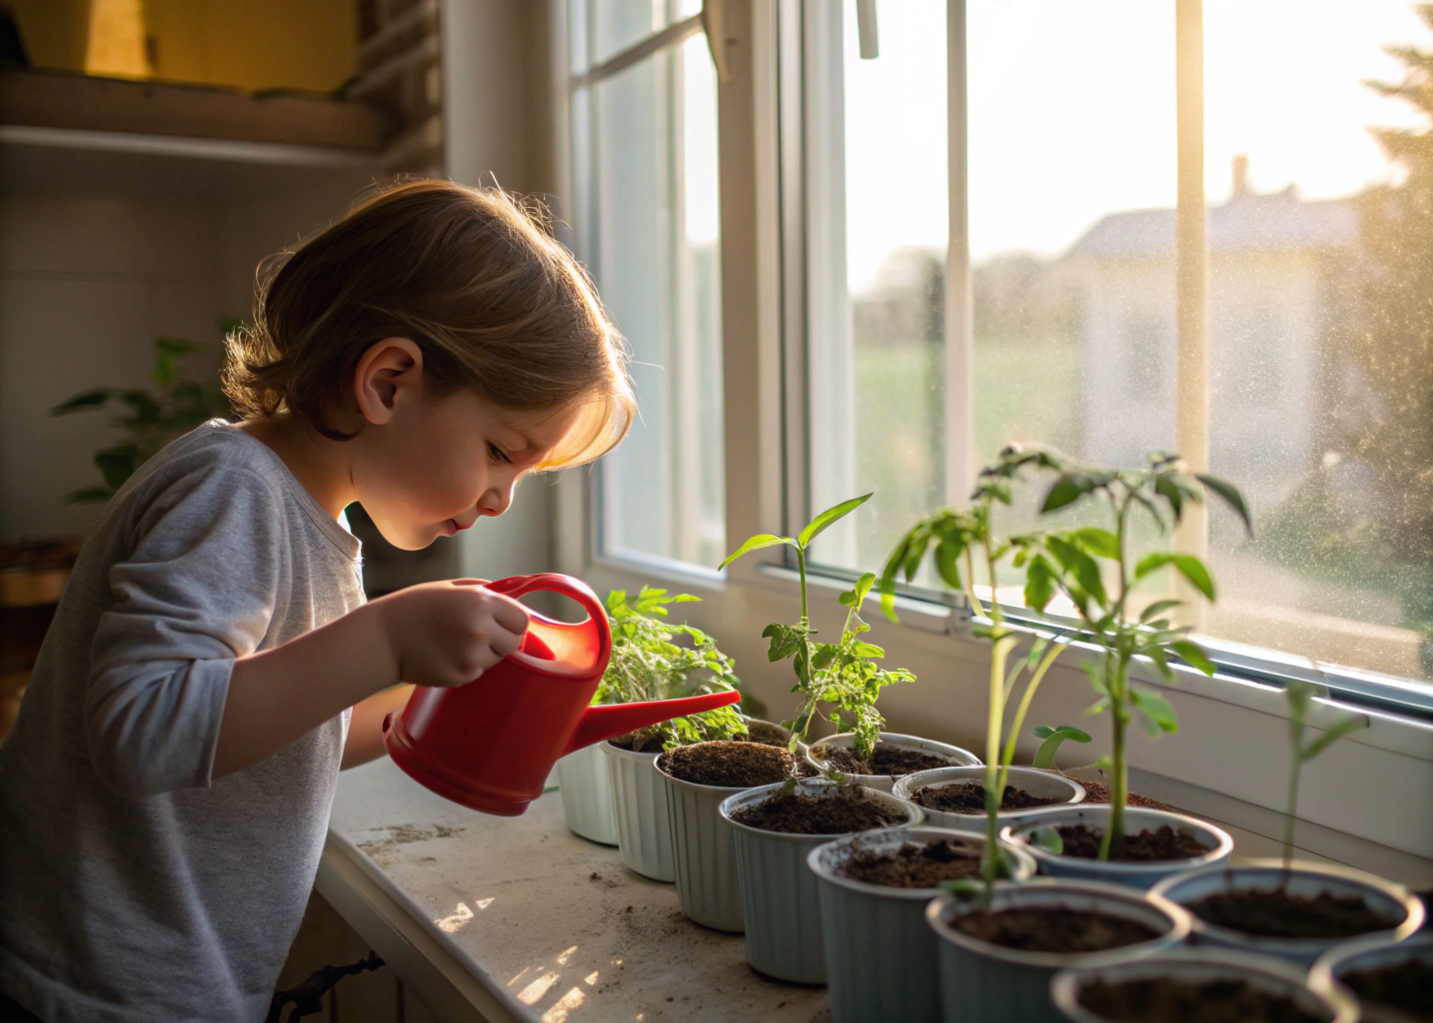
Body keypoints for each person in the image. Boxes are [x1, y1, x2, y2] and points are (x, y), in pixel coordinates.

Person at [0, 180, 635, 1023]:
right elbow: (143, 731)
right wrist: (381, 641)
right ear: (388, 381)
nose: (501, 498)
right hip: (92, 989)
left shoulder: (310, 512)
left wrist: (435, 692)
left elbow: (277, 728)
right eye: (498, 452)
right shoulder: (233, 492)